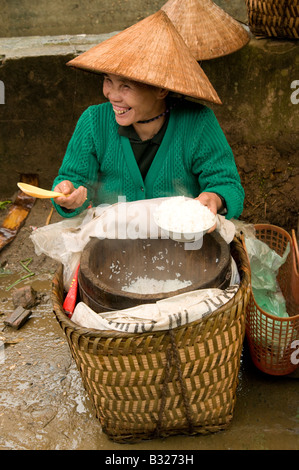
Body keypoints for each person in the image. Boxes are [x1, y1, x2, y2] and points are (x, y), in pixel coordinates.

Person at [52, 10, 244, 223]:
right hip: (110, 239)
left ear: (161, 90)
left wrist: (215, 198)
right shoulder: (93, 121)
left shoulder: (198, 122)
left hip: (181, 240)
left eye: (125, 86)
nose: (112, 96)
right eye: (108, 81)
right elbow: (71, 180)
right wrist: (68, 195)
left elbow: (229, 185)